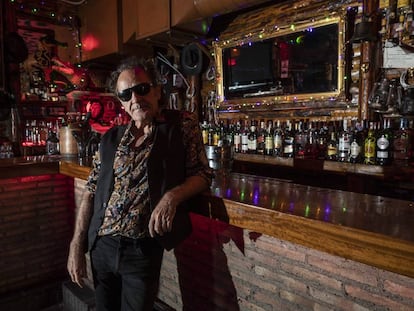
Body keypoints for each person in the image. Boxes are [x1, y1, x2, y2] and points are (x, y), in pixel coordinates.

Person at [67, 56, 212, 311]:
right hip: (102, 245)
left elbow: (202, 174)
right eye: (126, 94)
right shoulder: (111, 138)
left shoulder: (181, 126)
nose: (135, 98)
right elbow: (91, 191)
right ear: (121, 103)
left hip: (141, 250)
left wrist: (171, 197)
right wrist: (77, 244)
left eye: (142, 89)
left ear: (157, 90)